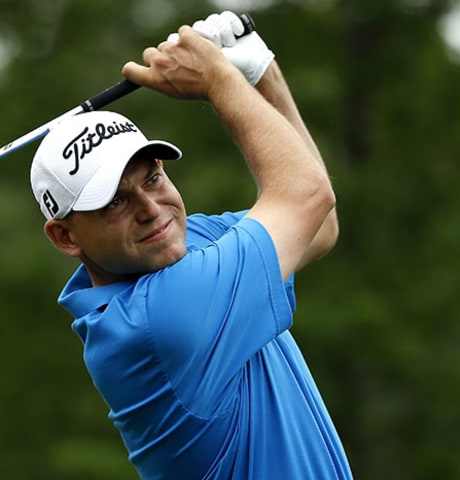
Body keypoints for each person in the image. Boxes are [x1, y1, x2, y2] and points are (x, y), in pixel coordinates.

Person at [29, 11, 352, 480]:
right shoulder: (156, 323)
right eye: (115, 201)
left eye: (153, 177)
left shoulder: (180, 246)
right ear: (65, 237)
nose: (151, 208)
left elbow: (318, 224)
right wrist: (219, 82)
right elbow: (307, 195)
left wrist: (262, 75)